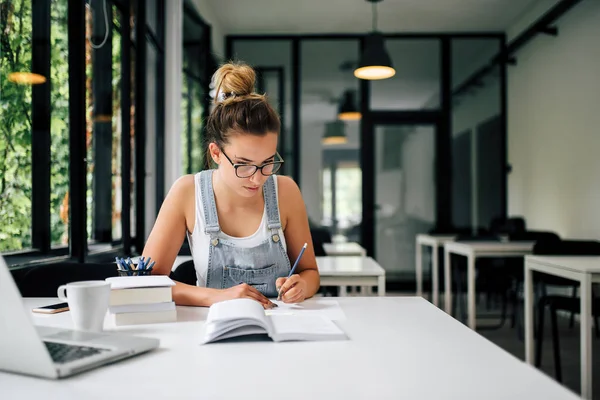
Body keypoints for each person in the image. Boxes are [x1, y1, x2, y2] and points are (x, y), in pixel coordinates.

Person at [142, 61, 320, 309]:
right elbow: (148, 281)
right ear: (216, 153)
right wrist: (216, 296)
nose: (257, 178)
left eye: (267, 162)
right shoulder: (187, 193)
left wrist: (302, 285)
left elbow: (310, 271)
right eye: (243, 165)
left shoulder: (286, 191)